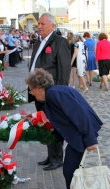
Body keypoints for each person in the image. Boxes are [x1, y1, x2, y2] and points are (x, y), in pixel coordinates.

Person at [25, 68, 103, 189]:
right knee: (69, 169)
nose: (32, 93)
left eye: (32, 90)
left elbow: (79, 115)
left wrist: (90, 139)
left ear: (39, 88)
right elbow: (61, 121)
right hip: (78, 134)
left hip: (82, 134)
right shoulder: (53, 93)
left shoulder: (54, 94)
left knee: (71, 171)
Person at [28, 13, 71, 171]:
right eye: (38, 23)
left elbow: (64, 71)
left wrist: (59, 94)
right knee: (44, 124)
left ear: (52, 26)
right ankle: (50, 155)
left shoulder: (60, 42)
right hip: (39, 93)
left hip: (51, 93)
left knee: (54, 125)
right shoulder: (38, 42)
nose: (39, 26)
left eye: (42, 24)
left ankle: (58, 158)